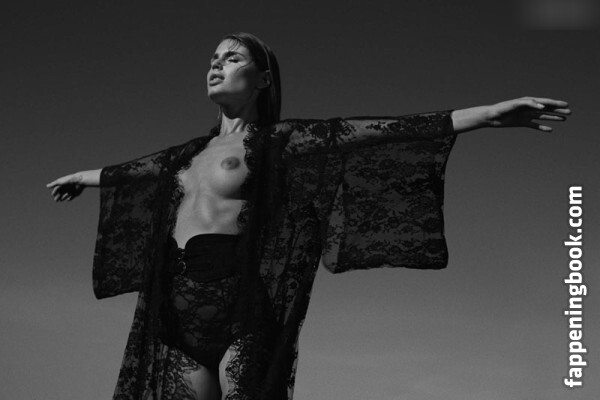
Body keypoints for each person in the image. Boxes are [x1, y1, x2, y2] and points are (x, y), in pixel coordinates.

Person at [47, 32, 570, 400]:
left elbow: (379, 131)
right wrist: (82, 176)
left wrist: (487, 115)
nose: (216, 64)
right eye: (213, 57)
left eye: (232, 57)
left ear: (262, 78)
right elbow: (133, 171)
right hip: (175, 313)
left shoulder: (280, 140)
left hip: (239, 307)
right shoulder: (186, 154)